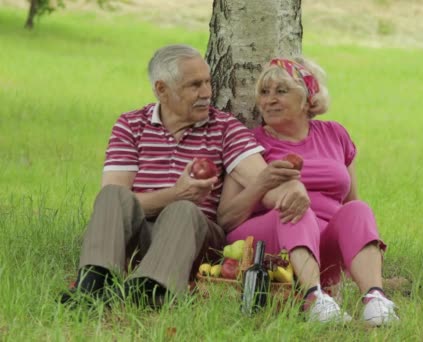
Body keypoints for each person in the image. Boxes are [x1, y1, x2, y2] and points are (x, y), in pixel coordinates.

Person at [60, 44, 309, 308]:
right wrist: (176, 193)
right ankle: (93, 284)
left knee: (184, 210)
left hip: (194, 237)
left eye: (207, 82)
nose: (206, 93)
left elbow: (264, 180)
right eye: (194, 86)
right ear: (162, 90)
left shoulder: (225, 128)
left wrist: (294, 189)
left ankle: (152, 291)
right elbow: (118, 202)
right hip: (140, 234)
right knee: (111, 195)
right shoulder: (131, 125)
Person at [218, 57, 399, 326]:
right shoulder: (250, 141)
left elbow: (350, 205)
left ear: (307, 98)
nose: (269, 100)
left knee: (358, 210)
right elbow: (226, 218)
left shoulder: (335, 134)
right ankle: (314, 298)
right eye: (264, 92)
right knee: (295, 207)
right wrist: (263, 183)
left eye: (281, 91)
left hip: (321, 241)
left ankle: (375, 299)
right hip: (268, 240)